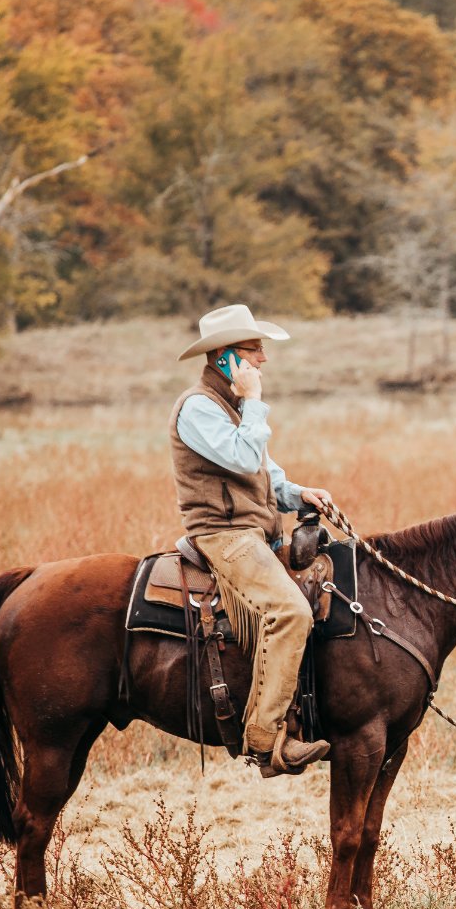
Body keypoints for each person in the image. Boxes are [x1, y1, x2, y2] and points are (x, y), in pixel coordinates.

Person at [171, 304, 333, 776]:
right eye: (253, 349)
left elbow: (264, 474)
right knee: (290, 611)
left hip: (255, 533)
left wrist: (299, 492)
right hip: (222, 536)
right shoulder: (197, 407)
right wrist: (256, 401)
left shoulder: (234, 409)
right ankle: (266, 742)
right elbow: (243, 458)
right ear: (225, 359)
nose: (262, 359)